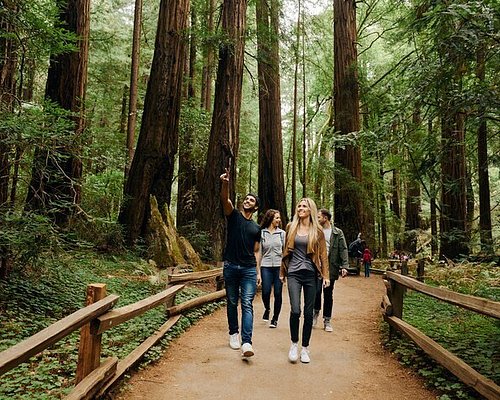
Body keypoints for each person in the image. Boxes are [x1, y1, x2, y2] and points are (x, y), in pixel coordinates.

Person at [280, 198, 330, 364]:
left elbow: (323, 254)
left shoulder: (318, 230)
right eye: (299, 206)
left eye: (304, 206)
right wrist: (282, 272)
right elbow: (285, 251)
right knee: (295, 310)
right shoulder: (290, 227)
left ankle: (305, 348)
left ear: (311, 210)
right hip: (294, 273)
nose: (300, 208)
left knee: (308, 313)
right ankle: (294, 344)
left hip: (311, 275)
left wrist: (326, 276)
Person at [220, 168, 261, 358]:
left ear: (256, 207)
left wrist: (258, 272)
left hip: (249, 269)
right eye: (246, 198)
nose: (247, 201)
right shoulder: (234, 215)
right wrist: (226, 183)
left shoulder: (256, 228)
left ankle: (246, 341)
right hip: (230, 266)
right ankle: (233, 333)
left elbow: (256, 250)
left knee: (247, 303)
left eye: (251, 200)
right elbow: (225, 201)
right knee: (231, 301)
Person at [313, 209, 348, 332]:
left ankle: (327, 319)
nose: (317, 219)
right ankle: (315, 312)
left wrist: (344, 266)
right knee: (316, 291)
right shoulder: (315, 231)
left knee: (328, 293)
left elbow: (343, 249)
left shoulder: (337, 232)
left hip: (331, 266)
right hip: (317, 266)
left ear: (325, 218)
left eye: (318, 217)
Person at [258, 209, 285, 328]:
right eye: (277, 218)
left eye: (279, 218)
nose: (279, 220)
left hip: (279, 267)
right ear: (270, 219)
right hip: (266, 266)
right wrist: (257, 271)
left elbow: (285, 252)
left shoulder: (282, 233)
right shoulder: (262, 233)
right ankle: (267, 308)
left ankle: (275, 318)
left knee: (278, 293)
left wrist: (285, 270)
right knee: (266, 291)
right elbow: (258, 252)